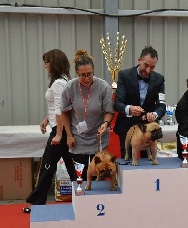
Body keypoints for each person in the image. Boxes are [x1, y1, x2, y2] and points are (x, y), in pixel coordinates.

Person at [23, 49, 76, 213]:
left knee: (47, 166)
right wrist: (47, 118)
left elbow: (61, 110)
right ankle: (85, 198)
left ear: (54, 63)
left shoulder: (59, 83)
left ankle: (37, 203)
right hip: (60, 128)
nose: (45, 65)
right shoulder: (63, 80)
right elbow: (57, 107)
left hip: (60, 131)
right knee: (71, 167)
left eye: (47, 62)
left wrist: (59, 134)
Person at [61, 49, 114, 179]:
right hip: (78, 138)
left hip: (99, 137)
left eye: (89, 74)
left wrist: (106, 124)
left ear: (93, 72)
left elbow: (109, 111)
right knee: (80, 176)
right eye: (82, 75)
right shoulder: (69, 88)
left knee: (100, 173)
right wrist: (69, 136)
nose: (86, 78)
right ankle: (80, 198)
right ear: (76, 73)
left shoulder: (103, 87)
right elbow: (64, 112)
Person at [114, 45, 166, 159]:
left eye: (152, 67)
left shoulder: (159, 79)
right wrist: (130, 109)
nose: (148, 70)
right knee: (126, 160)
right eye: (146, 65)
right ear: (139, 60)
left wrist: (154, 114)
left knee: (149, 162)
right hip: (127, 127)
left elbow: (162, 106)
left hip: (149, 130)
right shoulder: (124, 75)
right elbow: (118, 103)